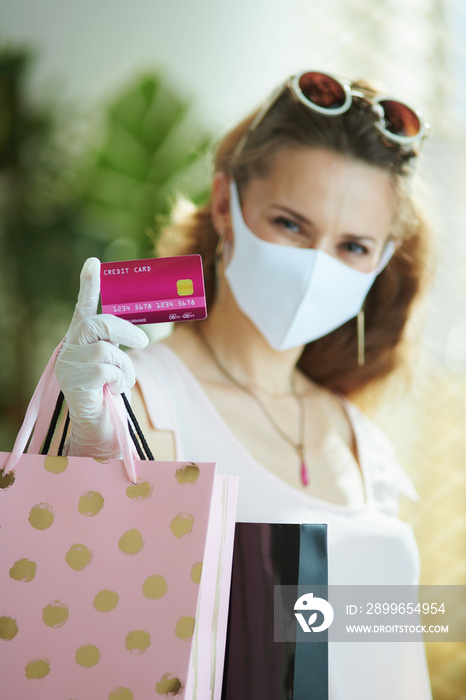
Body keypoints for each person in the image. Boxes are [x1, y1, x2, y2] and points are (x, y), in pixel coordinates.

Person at [55, 71, 433, 698]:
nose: (318, 267)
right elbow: (89, 629)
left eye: (354, 246)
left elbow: (368, 647)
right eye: (290, 224)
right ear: (227, 203)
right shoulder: (136, 399)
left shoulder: (365, 444)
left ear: (385, 259)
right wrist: (86, 461)